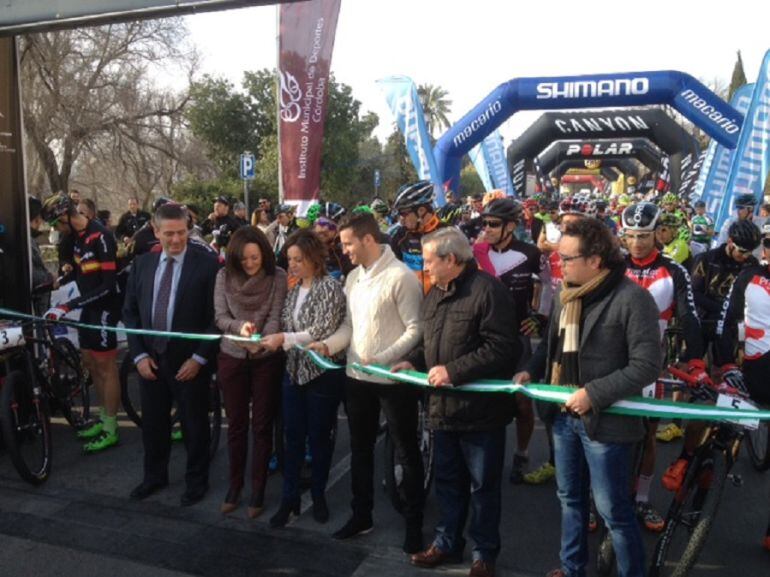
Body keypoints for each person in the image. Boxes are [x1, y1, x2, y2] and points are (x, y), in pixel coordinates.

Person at [518, 217, 661, 577]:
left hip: (606, 423)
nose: (559, 264)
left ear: (595, 260)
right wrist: (530, 370)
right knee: (570, 500)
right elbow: (550, 346)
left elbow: (646, 365)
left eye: (567, 258)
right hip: (564, 416)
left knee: (613, 511)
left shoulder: (633, 299)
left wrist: (592, 394)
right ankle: (572, 568)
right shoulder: (569, 294)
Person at [400, 227, 520, 577]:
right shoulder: (435, 293)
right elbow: (431, 342)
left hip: (480, 414)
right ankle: (446, 543)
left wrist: (453, 371)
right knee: (447, 482)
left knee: (483, 487)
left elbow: (502, 348)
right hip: (443, 409)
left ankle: (484, 554)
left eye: (429, 261)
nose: (425, 268)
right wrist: (414, 360)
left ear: (451, 259)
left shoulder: (488, 291)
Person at [310, 212, 424, 552]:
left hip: (393, 380)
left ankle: (414, 526)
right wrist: (329, 345)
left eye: (347, 243)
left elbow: (416, 329)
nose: (343, 250)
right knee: (360, 449)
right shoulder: (353, 278)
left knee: (407, 451)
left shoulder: (401, 277)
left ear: (368, 240)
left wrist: (385, 357)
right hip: (356, 378)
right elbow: (349, 325)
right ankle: (362, 515)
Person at [122, 202, 220, 506]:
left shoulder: (207, 266)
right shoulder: (142, 265)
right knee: (153, 425)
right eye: (169, 234)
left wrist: (199, 359)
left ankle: (196, 482)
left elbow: (214, 318)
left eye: (181, 233)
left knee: (194, 426)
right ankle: (154, 477)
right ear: (155, 231)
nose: (176, 240)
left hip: (190, 363)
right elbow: (131, 314)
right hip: (151, 362)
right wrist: (138, 356)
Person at [620, 202, 706, 532]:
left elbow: (689, 318)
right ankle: (596, 500)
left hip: (650, 364)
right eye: (631, 236)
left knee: (649, 433)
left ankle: (641, 499)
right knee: (599, 433)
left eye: (644, 235)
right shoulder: (611, 266)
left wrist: (697, 360)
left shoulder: (674, 270)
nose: (638, 242)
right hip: (608, 362)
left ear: (658, 232)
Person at [259, 230, 346, 527]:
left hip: (322, 374)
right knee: (291, 439)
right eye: (290, 259)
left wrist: (284, 337)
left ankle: (319, 494)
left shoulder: (331, 288)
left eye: (298, 259)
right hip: (294, 374)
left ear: (313, 258)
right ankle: (289, 498)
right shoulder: (293, 291)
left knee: (319, 438)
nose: (292, 265)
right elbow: (285, 322)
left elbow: (321, 329)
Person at [472, 198, 553, 485]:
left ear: (511, 226)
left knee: (521, 402)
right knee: (483, 400)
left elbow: (548, 286)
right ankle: (481, 458)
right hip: (483, 335)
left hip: (516, 336)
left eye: (493, 224)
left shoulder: (531, 253)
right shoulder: (476, 251)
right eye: (485, 223)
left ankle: (521, 454)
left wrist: (540, 319)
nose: (487, 229)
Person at [213, 226, 287, 518]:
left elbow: (276, 314)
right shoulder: (223, 277)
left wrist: (261, 343)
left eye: (255, 258)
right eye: (243, 259)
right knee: (236, 424)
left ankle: (258, 488)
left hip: (266, 355)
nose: (250, 264)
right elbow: (220, 316)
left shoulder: (277, 276)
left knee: (262, 425)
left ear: (264, 254)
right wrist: (240, 331)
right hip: (232, 353)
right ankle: (234, 485)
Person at [41, 193, 122, 453]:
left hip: (105, 307)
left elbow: (108, 285)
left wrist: (70, 305)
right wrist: (59, 282)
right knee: (89, 362)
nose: (56, 230)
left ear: (66, 215)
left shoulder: (101, 236)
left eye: (56, 224)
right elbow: (79, 273)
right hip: (87, 307)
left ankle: (111, 427)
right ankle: (103, 418)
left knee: (105, 365)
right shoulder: (75, 238)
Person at [714, 224, 770, 551]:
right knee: (720, 430)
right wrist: (727, 365)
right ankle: (696, 467)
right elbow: (727, 320)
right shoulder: (748, 276)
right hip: (751, 376)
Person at [690, 219, 760, 359]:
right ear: (730, 242)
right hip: (704, 316)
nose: (746, 256)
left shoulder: (751, 263)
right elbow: (694, 293)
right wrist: (720, 309)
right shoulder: (707, 259)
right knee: (694, 357)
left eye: (750, 252)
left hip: (733, 320)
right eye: (742, 251)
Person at [390, 180, 444, 293]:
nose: (401, 219)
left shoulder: (448, 234)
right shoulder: (400, 235)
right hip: (412, 300)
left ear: (421, 210)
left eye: (403, 214)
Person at [29, 196, 58, 316]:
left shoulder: (31, 239)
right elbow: (30, 273)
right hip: (34, 307)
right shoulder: (26, 241)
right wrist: (51, 278)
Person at [313, 216, 353, 282]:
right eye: (322, 222)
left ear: (337, 231)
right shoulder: (306, 246)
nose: (325, 229)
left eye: (331, 226)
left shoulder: (343, 252)